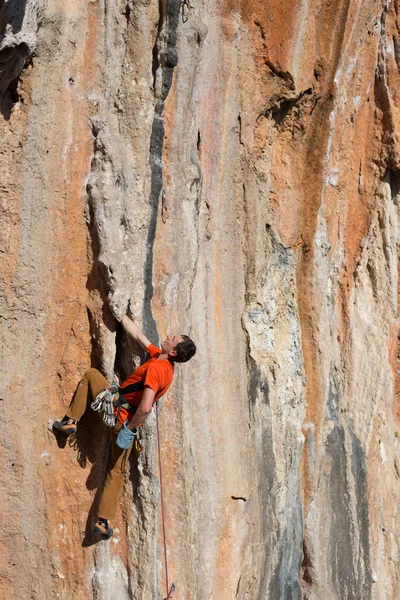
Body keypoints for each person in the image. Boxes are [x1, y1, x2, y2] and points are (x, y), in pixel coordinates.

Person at [53, 314, 196, 538]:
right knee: (116, 470)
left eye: (172, 338)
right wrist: (120, 313)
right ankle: (102, 523)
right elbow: (137, 334)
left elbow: (147, 406)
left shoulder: (157, 370)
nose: (168, 336)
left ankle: (70, 421)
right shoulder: (161, 360)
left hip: (121, 414)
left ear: (174, 351)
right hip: (124, 417)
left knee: (91, 375)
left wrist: (129, 429)